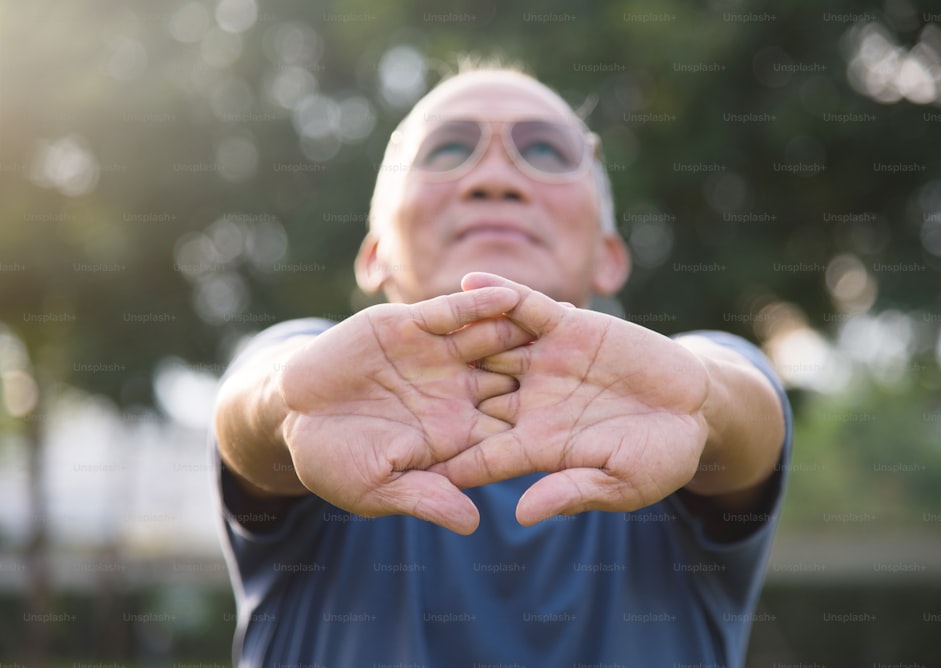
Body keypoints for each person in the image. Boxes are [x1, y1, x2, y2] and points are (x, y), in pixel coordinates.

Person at [211, 64, 792, 667]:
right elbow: (251, 414)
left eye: (545, 149)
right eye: (446, 148)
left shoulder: (682, 384)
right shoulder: (308, 371)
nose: (493, 179)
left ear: (610, 257)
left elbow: (742, 411)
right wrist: (279, 403)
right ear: (375, 254)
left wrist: (708, 404)